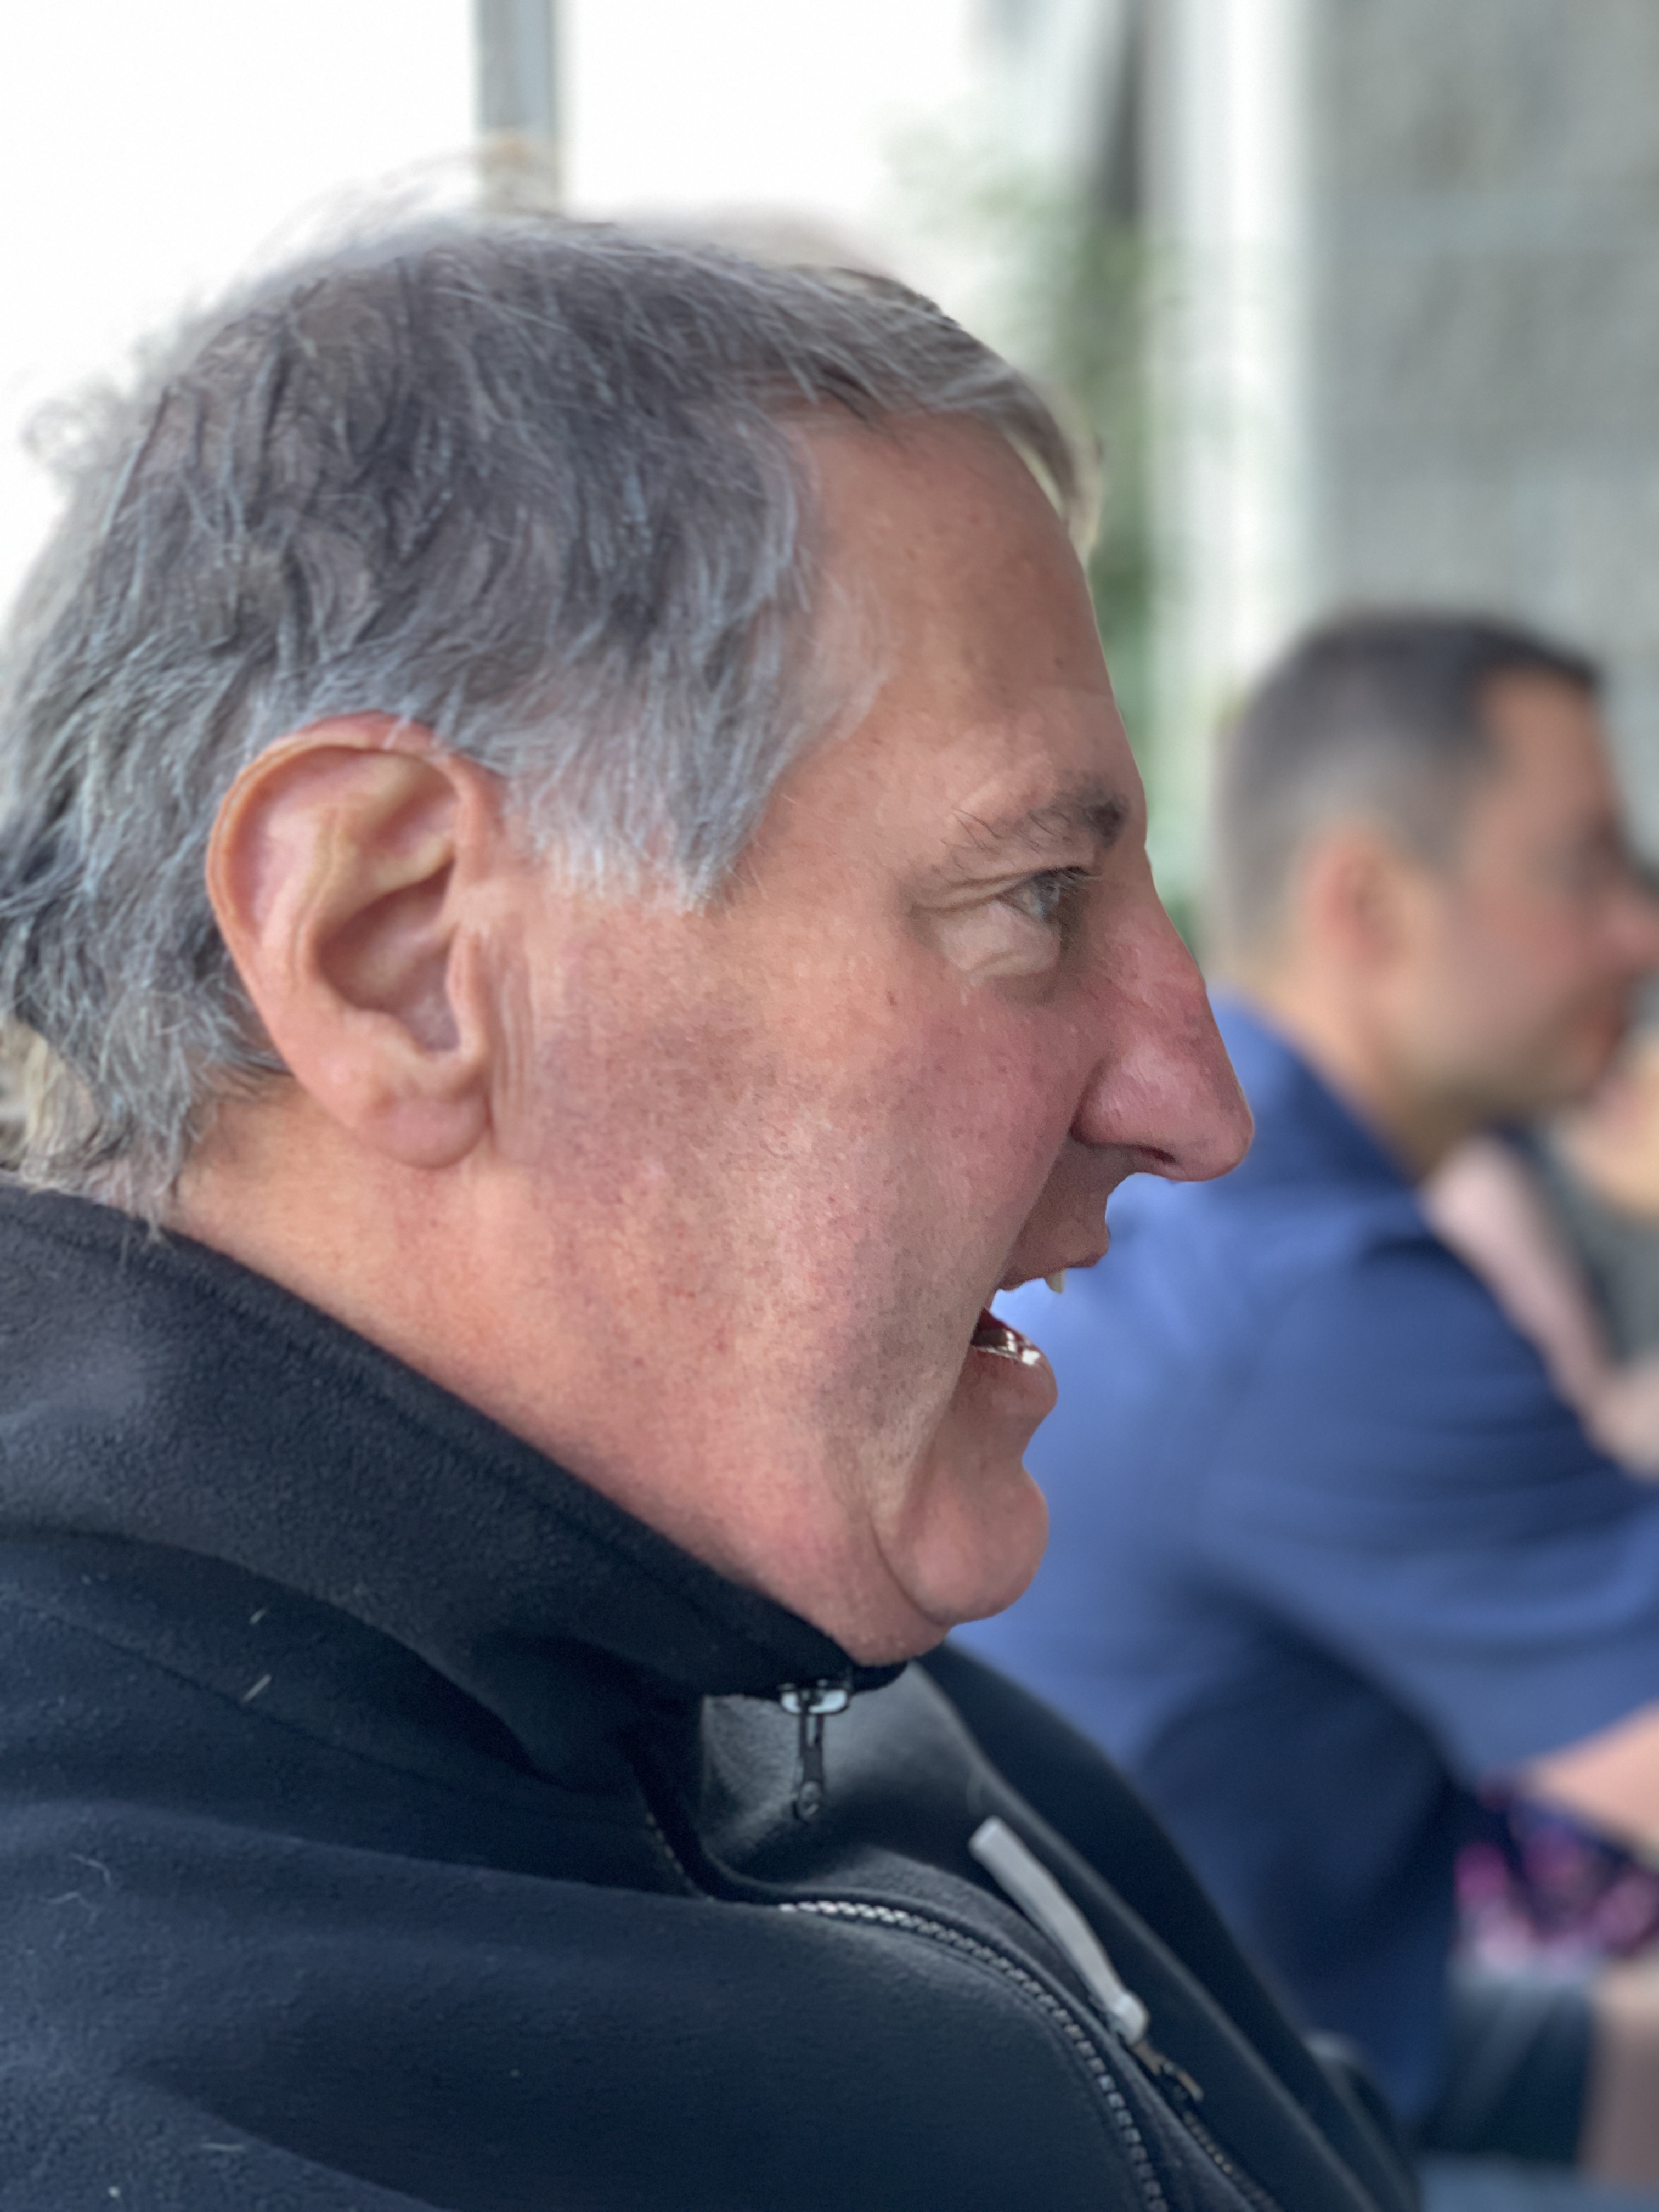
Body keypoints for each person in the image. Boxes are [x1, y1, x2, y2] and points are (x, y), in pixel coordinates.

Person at [0, 219, 1417, 2211]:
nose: (1196, 1104)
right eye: (1031, 898)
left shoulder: (740, 1634)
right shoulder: (123, 2080)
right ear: (395, 947)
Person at [964, 612, 1659, 2199]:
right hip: (1188, 2138)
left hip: (1253, 2015)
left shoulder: (1244, 1226)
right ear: (1369, 904)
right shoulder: (1315, 1294)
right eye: (1587, 871)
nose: (1641, 933)